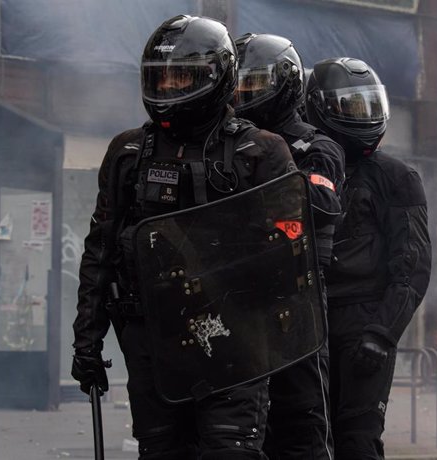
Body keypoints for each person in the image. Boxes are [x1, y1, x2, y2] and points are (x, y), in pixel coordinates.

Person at [70, 15, 296, 459]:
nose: (171, 87)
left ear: (219, 76)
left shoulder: (261, 152)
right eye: (162, 77)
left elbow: (292, 255)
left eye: (183, 76)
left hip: (236, 338)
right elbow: (100, 252)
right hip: (153, 339)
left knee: (231, 450)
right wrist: (86, 341)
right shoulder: (128, 153)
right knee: (161, 452)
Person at [305, 57, 432, 459]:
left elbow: (412, 265)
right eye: (349, 107)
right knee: (303, 438)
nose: (361, 117)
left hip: (364, 324)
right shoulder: (301, 166)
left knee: (357, 441)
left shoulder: (396, 178)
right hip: (307, 321)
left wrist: (382, 333)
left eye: (366, 106)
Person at [233, 33, 345, 460]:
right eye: (239, 85)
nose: (245, 95)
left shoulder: (316, 146)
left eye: (254, 84)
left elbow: (319, 203)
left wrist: (275, 166)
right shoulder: (229, 147)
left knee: (303, 429)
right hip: (239, 302)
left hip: (296, 305)